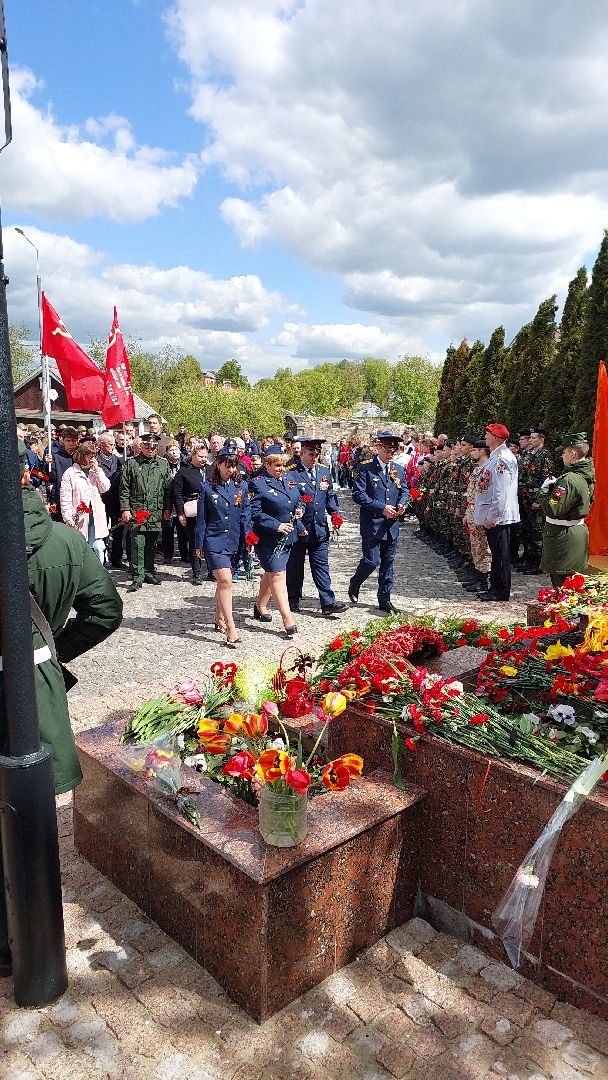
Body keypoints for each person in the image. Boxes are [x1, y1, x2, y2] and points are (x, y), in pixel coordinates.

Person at [0, 442, 123, 974]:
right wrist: (50, 653)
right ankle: (40, 941)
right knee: (36, 815)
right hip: (36, 689)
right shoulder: (67, 541)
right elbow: (106, 611)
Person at [194, 441, 251, 645]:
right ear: (218, 464)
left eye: (234, 465)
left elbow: (246, 515)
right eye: (227, 464)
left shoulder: (241, 486)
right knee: (226, 581)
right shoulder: (207, 488)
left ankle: (218, 618)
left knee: (222, 582)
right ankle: (231, 628)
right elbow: (202, 518)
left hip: (234, 541)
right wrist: (198, 544)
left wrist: (249, 538)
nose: (231, 469)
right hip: (213, 540)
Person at [348, 432, 409, 613]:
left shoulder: (398, 469)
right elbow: (358, 495)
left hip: (391, 524)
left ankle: (385, 599)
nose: (391, 454)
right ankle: (355, 582)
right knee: (371, 561)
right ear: (378, 448)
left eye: (394, 450)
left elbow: (404, 491)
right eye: (387, 449)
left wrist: (402, 504)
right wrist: (381, 508)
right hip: (372, 522)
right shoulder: (364, 468)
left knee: (388, 562)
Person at [286, 437, 346, 615]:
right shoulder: (292, 473)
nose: (315, 458)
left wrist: (335, 514)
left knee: (321, 566)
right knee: (295, 568)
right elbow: (290, 502)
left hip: (319, 529)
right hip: (299, 529)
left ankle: (328, 603)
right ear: (302, 453)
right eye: (311, 454)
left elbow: (329, 497)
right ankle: (292, 600)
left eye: (317, 454)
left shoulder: (324, 472)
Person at [249, 444, 303, 636]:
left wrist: (299, 510)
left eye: (283, 465)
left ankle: (260, 606)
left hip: (288, 535)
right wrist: (276, 525)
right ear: (267, 464)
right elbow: (254, 512)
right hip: (268, 538)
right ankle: (288, 619)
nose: (281, 468)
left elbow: (297, 500)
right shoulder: (257, 483)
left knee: (272, 573)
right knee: (278, 575)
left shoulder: (288, 478)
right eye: (277, 465)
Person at [537, 433, 595, 588]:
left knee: (562, 586)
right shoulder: (587, 474)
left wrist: (543, 492)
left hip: (563, 537)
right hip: (576, 533)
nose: (562, 456)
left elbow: (553, 509)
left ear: (573, 454)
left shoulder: (568, 479)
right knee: (573, 587)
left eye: (564, 452)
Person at [119, 432, 173, 591]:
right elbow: (124, 489)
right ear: (141, 446)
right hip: (138, 510)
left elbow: (168, 490)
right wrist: (125, 509)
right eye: (147, 446)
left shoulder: (163, 464)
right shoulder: (131, 464)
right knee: (138, 543)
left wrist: (167, 508)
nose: (150, 449)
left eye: (154, 446)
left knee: (151, 544)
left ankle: (149, 571)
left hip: (155, 511)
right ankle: (137, 576)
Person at [474, 423, 520, 602]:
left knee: (501, 555)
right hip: (493, 515)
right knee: (497, 553)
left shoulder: (502, 458)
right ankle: (495, 588)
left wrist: (493, 516)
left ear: (495, 437)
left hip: (498, 517)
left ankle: (500, 592)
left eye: (487, 435)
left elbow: (500, 492)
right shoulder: (496, 456)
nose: (485, 438)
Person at [59, 443, 110, 562]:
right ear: (82, 455)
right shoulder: (70, 473)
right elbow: (65, 497)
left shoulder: (96, 471)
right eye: (89, 456)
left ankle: (99, 575)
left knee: (98, 547)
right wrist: (67, 517)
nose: (92, 459)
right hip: (79, 518)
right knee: (81, 549)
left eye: (94, 456)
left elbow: (105, 488)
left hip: (95, 517)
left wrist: (97, 471)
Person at [172, 443, 210, 584]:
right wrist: (180, 513)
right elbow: (177, 493)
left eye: (205, 456)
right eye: (200, 456)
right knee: (195, 542)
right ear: (193, 456)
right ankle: (197, 573)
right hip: (192, 511)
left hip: (210, 512)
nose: (203, 459)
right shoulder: (183, 472)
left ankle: (211, 571)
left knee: (209, 542)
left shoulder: (210, 470)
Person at [519, 426, 554, 574]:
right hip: (526, 496)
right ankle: (529, 557)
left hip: (536, 497)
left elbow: (548, 480)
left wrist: (540, 500)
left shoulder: (545, 455)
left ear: (541, 439)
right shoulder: (527, 454)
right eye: (530, 437)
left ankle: (539, 562)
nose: (530, 440)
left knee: (537, 531)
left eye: (533, 438)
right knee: (527, 529)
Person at [464, 441, 493, 593]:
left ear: (482, 451)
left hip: (481, 514)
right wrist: (467, 512)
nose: (472, 453)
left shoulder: (487, 469)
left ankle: (483, 581)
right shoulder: (478, 469)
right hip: (472, 513)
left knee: (483, 547)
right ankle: (478, 575)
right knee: (476, 546)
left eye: (474, 450)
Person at [161, 440, 189, 564]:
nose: (174, 452)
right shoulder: (162, 465)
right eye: (171, 450)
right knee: (168, 529)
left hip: (180, 499)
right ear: (167, 452)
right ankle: (168, 554)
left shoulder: (184, 465)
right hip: (166, 499)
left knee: (182, 529)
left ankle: (184, 553)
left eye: (176, 449)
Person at [50, 425, 79, 519]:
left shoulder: (80, 456)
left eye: (74, 441)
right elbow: (51, 478)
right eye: (68, 441)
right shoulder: (55, 457)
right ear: (63, 440)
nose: (71, 444)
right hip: (61, 498)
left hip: (78, 497)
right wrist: (47, 464)